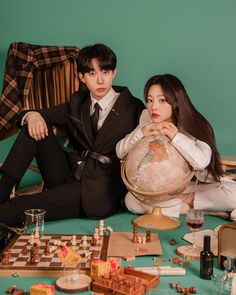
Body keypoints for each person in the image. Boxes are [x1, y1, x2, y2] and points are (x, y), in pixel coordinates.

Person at [0, 43, 145, 227]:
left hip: (100, 188)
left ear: (114, 72)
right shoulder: (78, 102)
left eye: (105, 72)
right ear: (82, 77)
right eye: (92, 74)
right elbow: (37, 115)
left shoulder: (133, 107)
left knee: (30, 203)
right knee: (33, 127)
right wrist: (32, 115)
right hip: (68, 174)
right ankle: (1, 192)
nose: (100, 80)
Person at [116, 74, 236, 218]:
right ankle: (205, 210)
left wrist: (176, 136)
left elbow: (201, 162)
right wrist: (141, 132)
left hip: (196, 186)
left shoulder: (194, 122)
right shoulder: (146, 118)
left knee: (233, 194)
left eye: (162, 100)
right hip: (164, 189)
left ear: (176, 101)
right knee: (131, 200)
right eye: (149, 100)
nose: (154, 107)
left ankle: (186, 204)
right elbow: (119, 151)